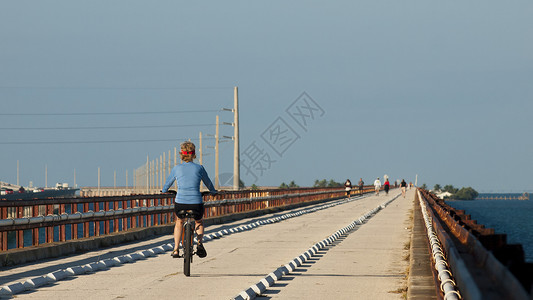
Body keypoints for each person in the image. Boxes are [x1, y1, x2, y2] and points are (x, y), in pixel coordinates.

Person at [162, 141, 217, 258]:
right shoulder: (200, 168)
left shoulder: (177, 168)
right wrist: (213, 192)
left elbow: (167, 185)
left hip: (180, 203)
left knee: (179, 222)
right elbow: (208, 183)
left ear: (181, 155)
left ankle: (176, 249)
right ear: (194, 154)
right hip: (196, 203)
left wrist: (164, 190)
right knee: (199, 221)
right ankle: (199, 242)